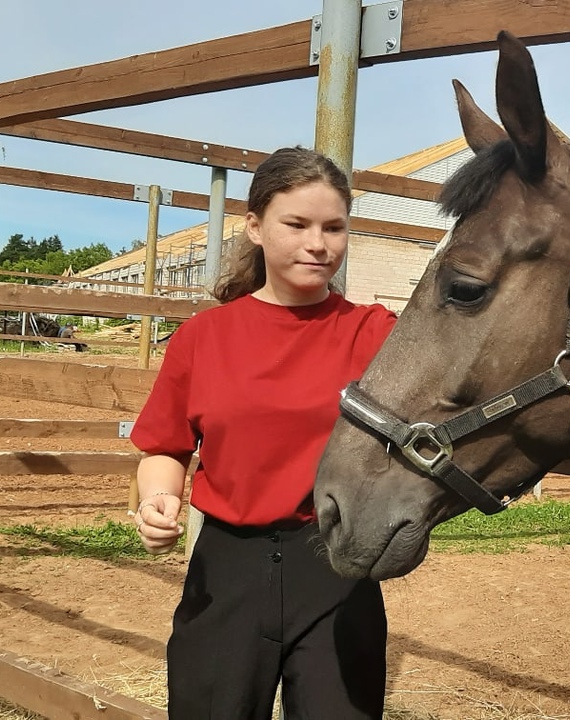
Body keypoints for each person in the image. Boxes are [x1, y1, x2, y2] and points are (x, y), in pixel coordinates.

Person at [130, 146, 397, 719]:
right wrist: (157, 500)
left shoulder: (376, 335)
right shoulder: (204, 338)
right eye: (296, 225)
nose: (318, 244)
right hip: (226, 572)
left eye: (334, 227)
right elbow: (165, 446)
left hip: (338, 571)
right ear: (254, 226)